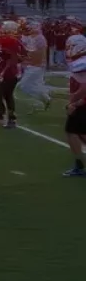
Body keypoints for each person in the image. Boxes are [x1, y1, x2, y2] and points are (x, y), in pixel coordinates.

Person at [0, 20, 24, 128]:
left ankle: (11, 119)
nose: (1, 29)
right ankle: (1, 112)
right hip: (5, 69)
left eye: (3, 27)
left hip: (9, 72)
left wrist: (2, 72)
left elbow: (13, 58)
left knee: (6, 94)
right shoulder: (8, 40)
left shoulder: (11, 41)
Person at [63, 33, 86, 177]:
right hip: (82, 103)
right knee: (78, 132)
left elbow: (84, 87)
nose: (69, 49)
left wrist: (74, 102)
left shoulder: (82, 62)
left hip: (83, 104)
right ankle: (79, 165)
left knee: (73, 131)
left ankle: (80, 166)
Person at [17, 19, 52, 111]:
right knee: (36, 84)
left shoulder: (40, 38)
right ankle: (44, 98)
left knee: (23, 86)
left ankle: (45, 96)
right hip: (34, 65)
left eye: (31, 27)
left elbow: (38, 55)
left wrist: (28, 61)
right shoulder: (33, 37)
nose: (29, 29)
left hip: (36, 66)